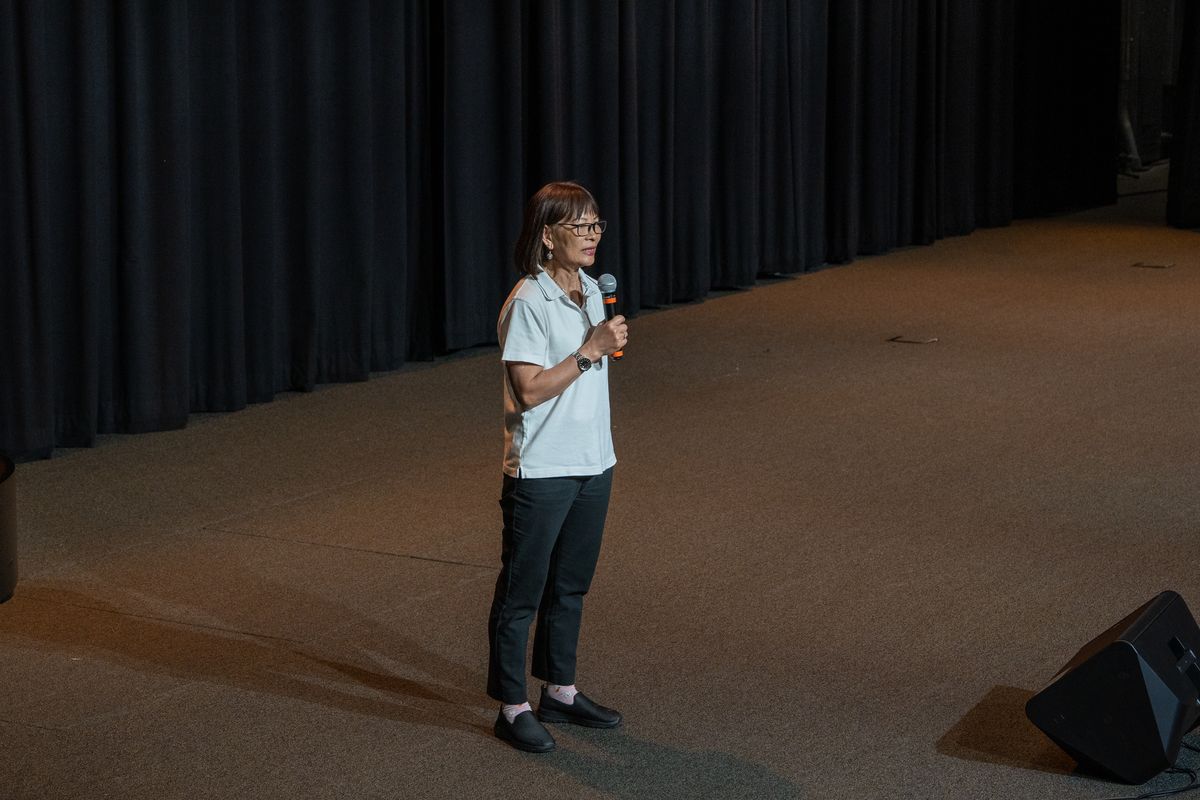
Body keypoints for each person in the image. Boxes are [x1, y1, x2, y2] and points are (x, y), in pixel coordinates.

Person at [487, 181, 629, 753]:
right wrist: (589, 350)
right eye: (580, 226)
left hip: (594, 461)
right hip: (543, 470)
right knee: (523, 592)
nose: (593, 236)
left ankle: (560, 692)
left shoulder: (592, 289)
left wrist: (598, 344)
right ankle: (512, 706)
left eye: (596, 225)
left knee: (570, 586)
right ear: (548, 235)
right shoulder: (528, 301)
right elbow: (528, 390)